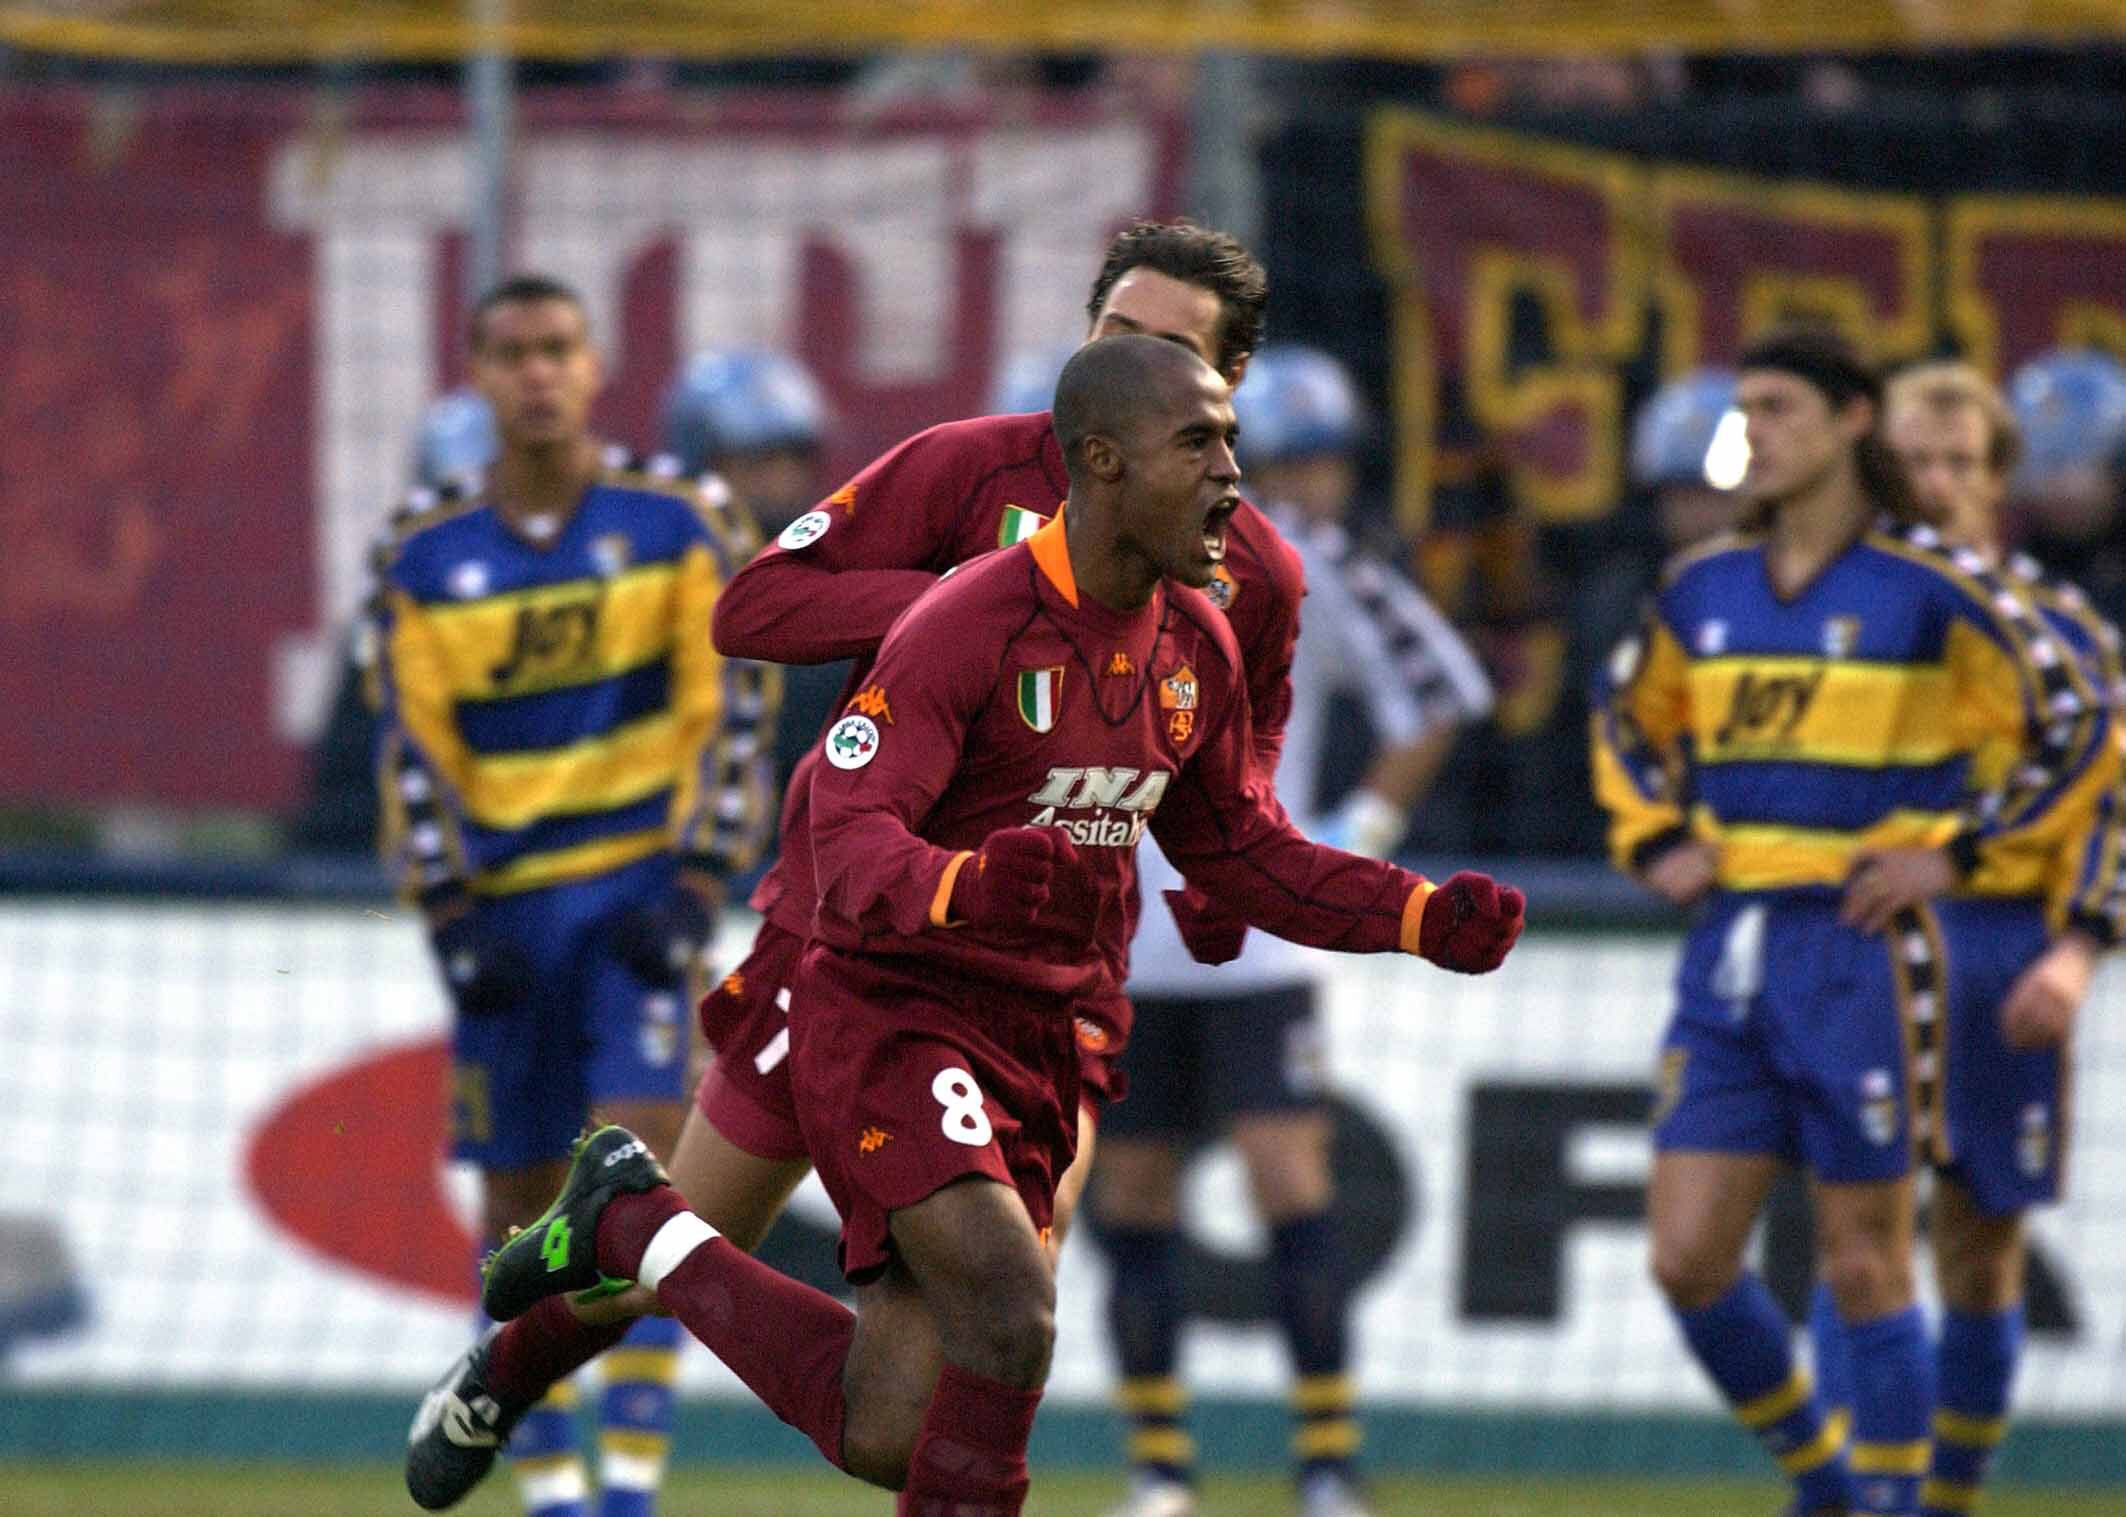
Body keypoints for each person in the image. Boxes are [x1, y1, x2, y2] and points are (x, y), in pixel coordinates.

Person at [471, 334, 1527, 1517]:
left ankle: (639, 1227)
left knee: (891, 1426)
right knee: (1012, 1310)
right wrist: (964, 885)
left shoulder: (1198, 640)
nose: (1233, 474)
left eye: (1231, 443)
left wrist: (1416, 913)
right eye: (1198, 444)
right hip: (892, 1005)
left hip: (1035, 1028)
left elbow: (1240, 850)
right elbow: (845, 830)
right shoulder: (966, 617)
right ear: (1102, 461)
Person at [405, 218, 1308, 1512]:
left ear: (1226, 386)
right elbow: (753, 607)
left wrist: (1229, 878)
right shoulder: (966, 467)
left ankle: (621, 1245)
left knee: (966, 1358)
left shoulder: (1249, 571)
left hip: (1040, 991)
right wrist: (974, 604)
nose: (1133, 363)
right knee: (693, 1252)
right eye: (1116, 333)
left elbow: (1242, 762)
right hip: (849, 944)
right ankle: (514, 1359)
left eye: (1173, 348)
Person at [1590, 326, 2110, 1517]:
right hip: (1732, 941)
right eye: (1742, 410)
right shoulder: (1701, 584)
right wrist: (1655, 838)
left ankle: (1912, 1500)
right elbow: (1622, 717)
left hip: (1870, 946)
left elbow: (2082, 720)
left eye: (1775, 407)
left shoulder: (1936, 587)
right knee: (1683, 1256)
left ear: (1846, 421)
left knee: (1886, 1254)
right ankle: (1829, 1482)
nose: (1750, 432)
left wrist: (1964, 857)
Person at [382, 274, 776, 1517]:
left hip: (632, 906)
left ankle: (628, 1492)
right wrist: (449, 911)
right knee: (515, 1213)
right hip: (502, 915)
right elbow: (411, 748)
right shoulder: (421, 551)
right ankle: (549, 1489)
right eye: (512, 352)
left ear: (596, 364)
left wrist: (699, 877)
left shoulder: (682, 517)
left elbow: (735, 704)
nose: (538, 372)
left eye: (558, 348)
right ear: (477, 374)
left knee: (639, 1191)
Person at [1094, 344, 1493, 1517]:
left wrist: (1352, 830)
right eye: (1292, 462)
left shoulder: (1304, 568)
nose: (1315, 486)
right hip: (1120, 944)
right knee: (1132, 1197)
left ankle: (1325, 1463)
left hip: (1253, 948)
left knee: (1288, 1184)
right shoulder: (1096, 565)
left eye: (1327, 463)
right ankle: (1159, 1470)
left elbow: (1441, 687)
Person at [1798, 360, 2125, 1517]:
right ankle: (1851, 1497)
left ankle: (1945, 1500)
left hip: (2001, 950)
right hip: (1861, 942)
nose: (1933, 483)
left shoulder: (2063, 632)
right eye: (1911, 462)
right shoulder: (1822, 615)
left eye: (1957, 462)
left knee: (1979, 1251)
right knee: (1855, 1237)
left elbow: (2107, 808)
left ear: (1996, 480)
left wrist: (2075, 951)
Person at [659, 347, 828, 816]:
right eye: (758, 464)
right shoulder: (662, 584)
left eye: (794, 461)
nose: (782, 483)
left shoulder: (837, 582)